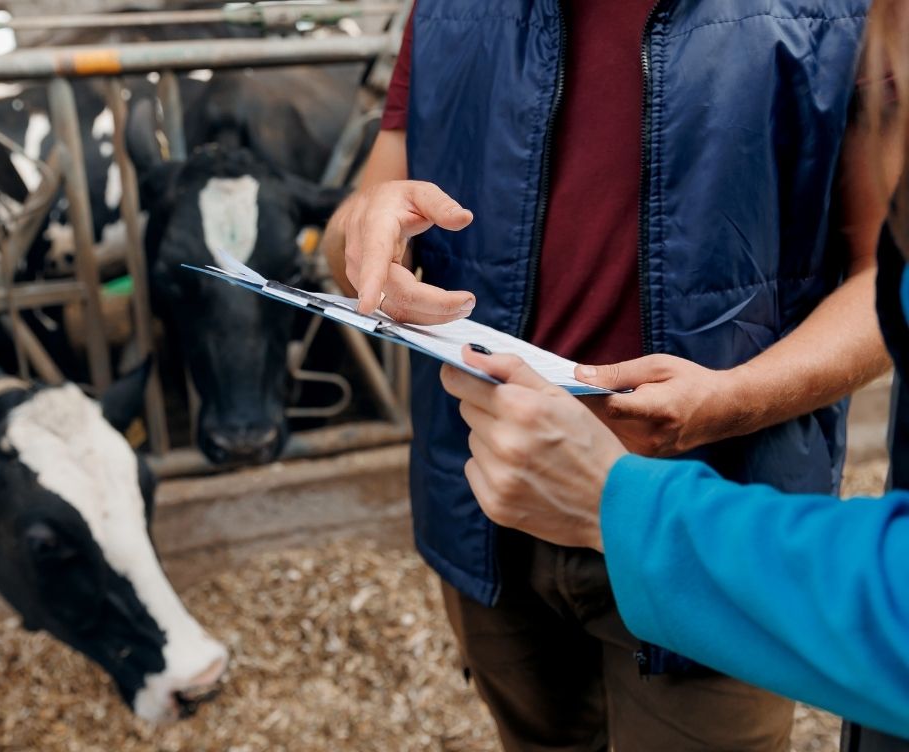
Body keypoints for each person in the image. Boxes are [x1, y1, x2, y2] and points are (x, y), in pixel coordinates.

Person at [323, 1, 889, 749]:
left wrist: (731, 402)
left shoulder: (843, 11)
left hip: (717, 517)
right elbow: (360, 221)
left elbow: (888, 281)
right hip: (490, 505)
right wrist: (361, 233)